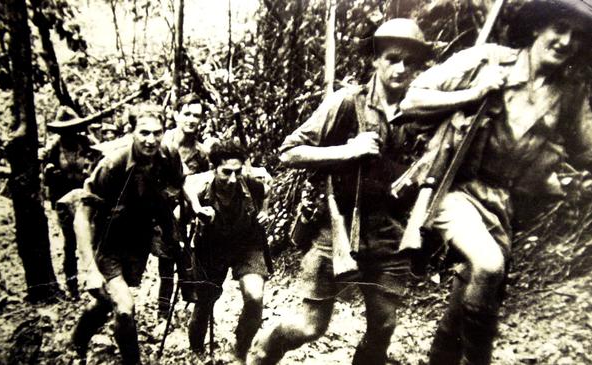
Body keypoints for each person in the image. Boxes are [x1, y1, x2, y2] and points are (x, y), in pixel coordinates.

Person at [399, 1, 592, 364]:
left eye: (577, 36)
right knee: (487, 265)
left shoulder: (570, 93)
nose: (566, 41)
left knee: (469, 292)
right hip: (455, 188)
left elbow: (587, 151)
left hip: (505, 205)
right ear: (538, 27)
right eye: (559, 29)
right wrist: (473, 93)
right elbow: (413, 101)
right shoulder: (488, 60)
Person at [248, 18, 433, 365]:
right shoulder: (347, 102)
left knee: (383, 326)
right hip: (336, 232)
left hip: (390, 234)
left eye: (410, 61)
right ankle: (260, 353)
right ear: (375, 60)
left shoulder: (422, 109)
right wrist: (347, 150)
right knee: (307, 327)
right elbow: (289, 152)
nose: (401, 68)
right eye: (393, 58)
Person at [71, 106, 184, 365]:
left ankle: (77, 339)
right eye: (144, 132)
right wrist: (90, 269)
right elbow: (82, 215)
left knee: (105, 302)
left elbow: (178, 185)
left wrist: (175, 231)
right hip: (107, 242)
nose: (151, 140)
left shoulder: (167, 156)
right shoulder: (112, 164)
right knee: (124, 309)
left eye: (157, 133)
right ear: (131, 131)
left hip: (137, 243)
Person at [184, 139, 271, 362]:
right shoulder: (201, 187)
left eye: (237, 172)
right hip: (211, 248)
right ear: (214, 169)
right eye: (226, 172)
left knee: (255, 297)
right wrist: (196, 211)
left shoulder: (251, 182)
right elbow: (181, 199)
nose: (233, 179)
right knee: (205, 302)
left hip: (246, 244)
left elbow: (267, 190)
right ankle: (196, 351)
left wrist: (265, 211)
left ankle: (239, 352)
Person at [156, 93, 211, 318]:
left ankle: (190, 305)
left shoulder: (202, 152)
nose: (191, 119)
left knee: (188, 259)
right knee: (166, 261)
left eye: (196, 115)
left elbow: (206, 183)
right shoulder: (161, 143)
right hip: (160, 211)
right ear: (176, 114)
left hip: (188, 213)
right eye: (186, 113)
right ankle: (163, 311)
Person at [41, 106, 95, 298]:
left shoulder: (85, 143)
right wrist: (50, 172)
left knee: (92, 239)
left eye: (71, 128)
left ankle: (95, 282)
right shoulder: (54, 148)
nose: (68, 132)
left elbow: (98, 163)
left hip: (85, 198)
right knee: (70, 242)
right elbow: (45, 179)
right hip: (63, 201)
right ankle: (72, 286)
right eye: (64, 129)